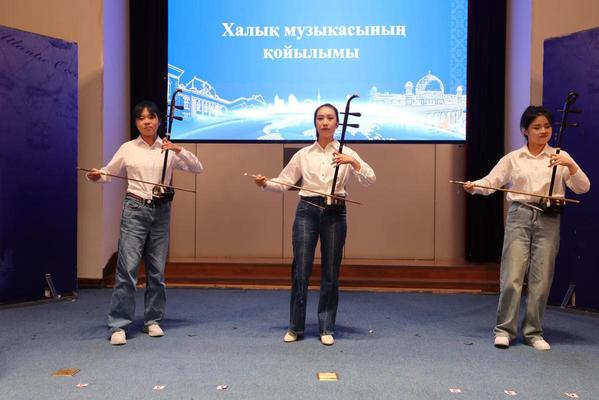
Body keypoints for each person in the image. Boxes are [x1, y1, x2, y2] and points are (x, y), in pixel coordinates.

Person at [463, 105, 590, 351]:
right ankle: (504, 330)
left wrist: (571, 166)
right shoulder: (514, 158)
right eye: (537, 127)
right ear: (525, 130)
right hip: (520, 215)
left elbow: (583, 187)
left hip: (549, 218)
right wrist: (474, 186)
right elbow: (491, 182)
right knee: (512, 276)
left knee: (541, 278)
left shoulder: (561, 156)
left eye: (547, 126)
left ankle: (533, 332)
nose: (543, 131)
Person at [253, 103, 376, 346]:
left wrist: (352, 161)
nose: (325, 122)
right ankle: (295, 327)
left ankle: (326, 326)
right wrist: (265, 183)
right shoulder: (304, 154)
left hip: (335, 212)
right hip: (306, 211)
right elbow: (285, 182)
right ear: (315, 123)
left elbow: (370, 179)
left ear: (338, 123)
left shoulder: (347, 151)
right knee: (301, 269)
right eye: (320, 118)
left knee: (331, 270)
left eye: (330, 118)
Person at [87, 100, 204, 345]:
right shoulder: (128, 148)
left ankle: (153, 320)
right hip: (135, 208)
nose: (147, 122)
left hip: (161, 211)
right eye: (141, 118)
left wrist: (179, 150)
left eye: (151, 117)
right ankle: (119, 325)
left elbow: (198, 168)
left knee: (156, 271)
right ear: (136, 123)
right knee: (127, 269)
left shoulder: (168, 149)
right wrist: (97, 175)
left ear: (159, 120)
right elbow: (108, 172)